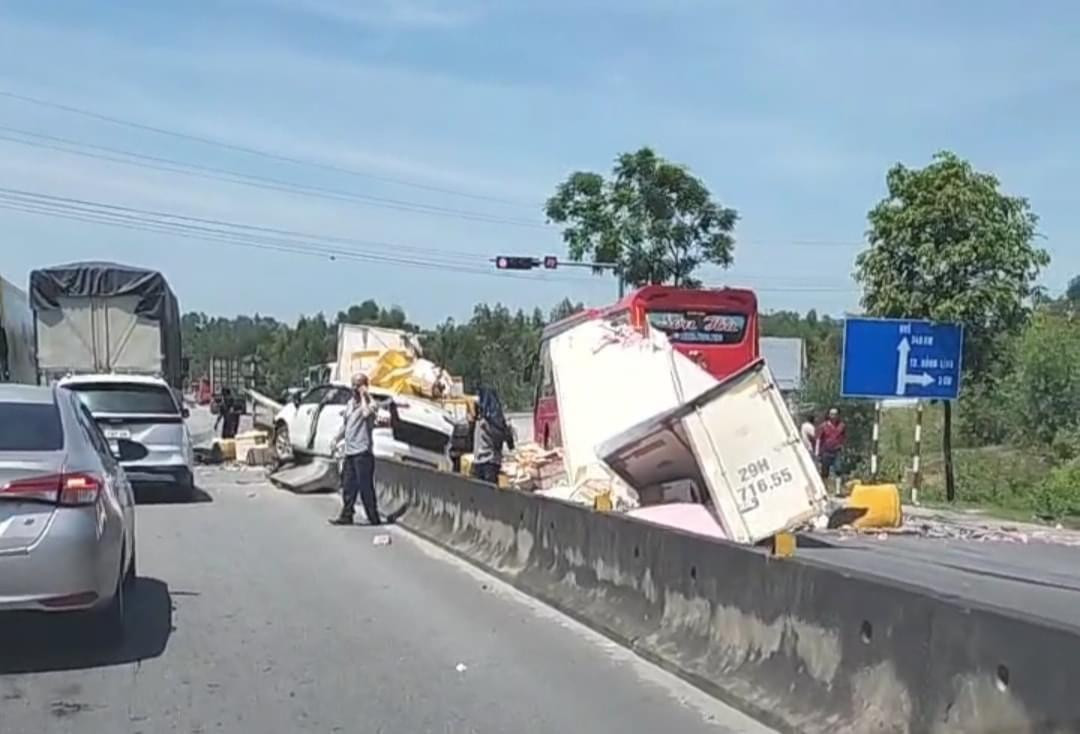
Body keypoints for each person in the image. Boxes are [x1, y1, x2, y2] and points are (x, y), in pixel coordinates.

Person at [329, 374, 380, 526]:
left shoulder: (371, 404)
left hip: (363, 452)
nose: (354, 389)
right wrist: (337, 438)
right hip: (350, 452)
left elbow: (365, 414)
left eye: (357, 385)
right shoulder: (350, 404)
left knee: (365, 487)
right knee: (348, 485)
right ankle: (347, 514)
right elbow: (346, 424)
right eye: (353, 385)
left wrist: (364, 395)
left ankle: (373, 517)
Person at [471, 386, 514, 484]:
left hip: (482, 462)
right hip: (489, 463)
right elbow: (503, 439)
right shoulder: (493, 418)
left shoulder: (482, 418)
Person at [817, 407, 847, 489]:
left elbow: (844, 438)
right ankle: (825, 488)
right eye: (832, 414)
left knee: (838, 470)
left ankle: (838, 491)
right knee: (824, 472)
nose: (833, 416)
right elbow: (819, 439)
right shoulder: (823, 426)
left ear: (838, 415)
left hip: (837, 451)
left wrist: (843, 448)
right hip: (826, 451)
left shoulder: (842, 426)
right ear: (829, 415)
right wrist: (817, 452)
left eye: (835, 414)